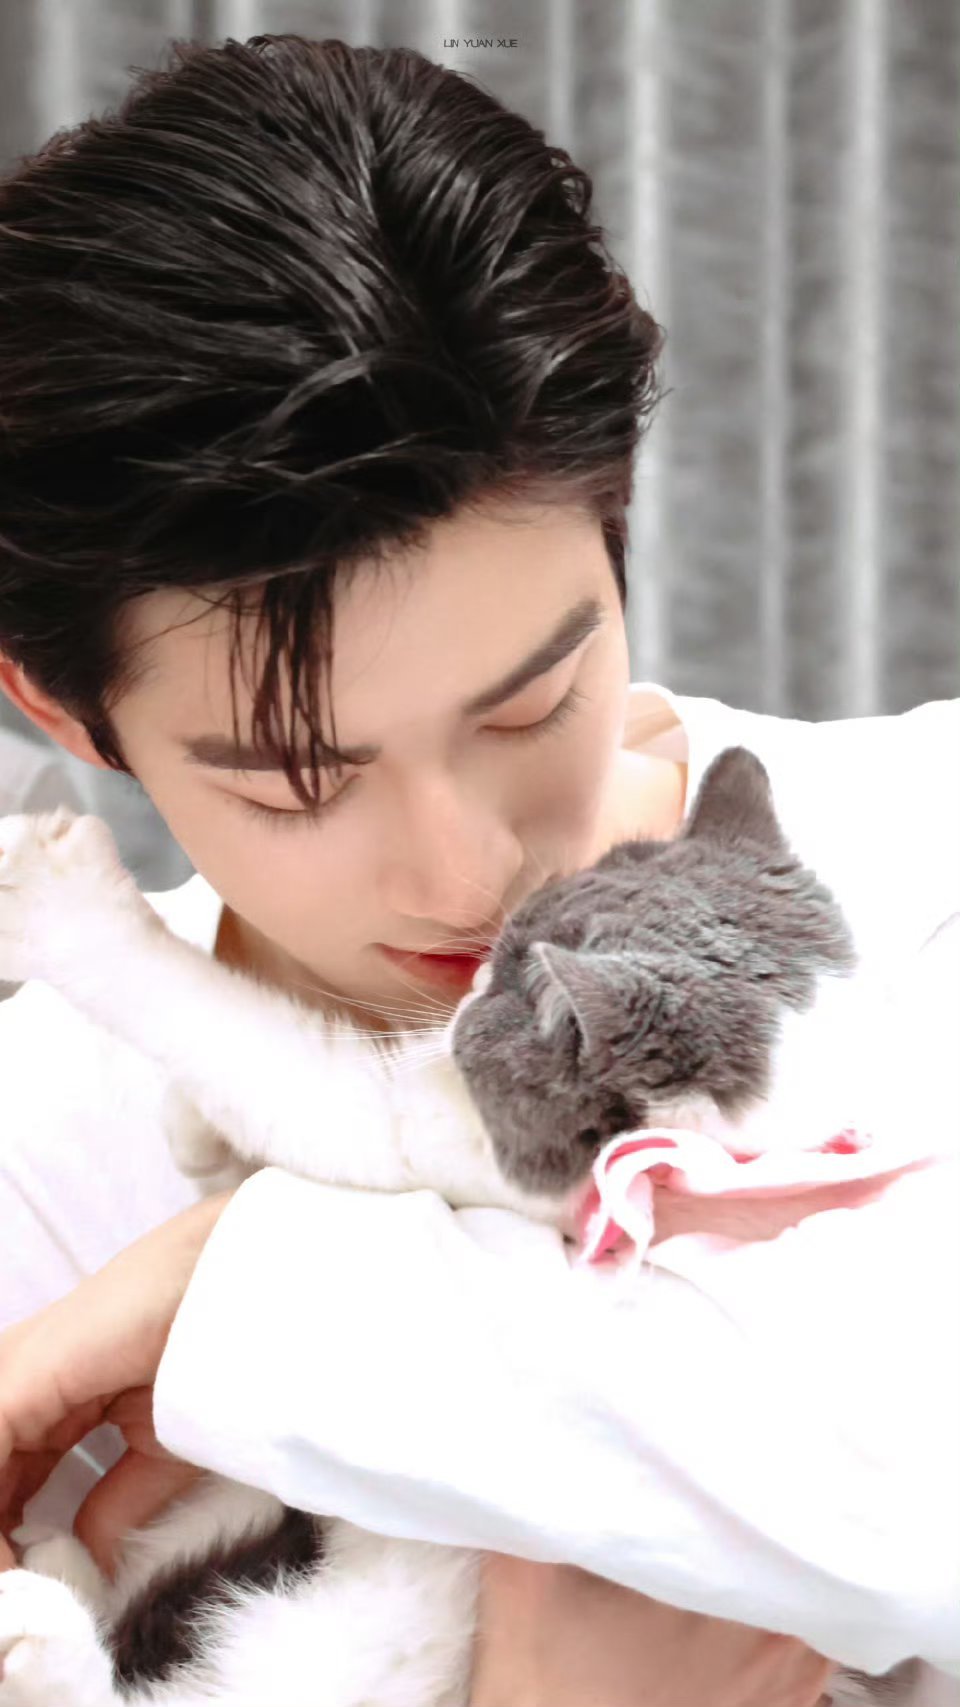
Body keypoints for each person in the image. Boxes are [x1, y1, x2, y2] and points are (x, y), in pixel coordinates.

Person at [0, 33, 957, 1706]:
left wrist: (240, 1297)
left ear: (619, 527)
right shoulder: (33, 1169)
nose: (466, 876)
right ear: (64, 715)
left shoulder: (927, 856)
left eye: (530, 706)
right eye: (301, 782)